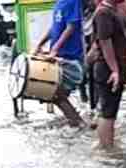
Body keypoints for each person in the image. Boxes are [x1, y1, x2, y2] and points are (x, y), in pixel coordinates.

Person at [33, 0, 87, 128]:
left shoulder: (73, 1)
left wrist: (55, 48)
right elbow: (54, 27)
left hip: (70, 57)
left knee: (56, 94)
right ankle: (76, 123)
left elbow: (71, 27)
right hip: (59, 56)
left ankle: (78, 123)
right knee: (57, 94)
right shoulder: (59, 3)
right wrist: (40, 43)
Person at [89, 0, 126, 147]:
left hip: (114, 68)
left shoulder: (112, 11)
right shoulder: (103, 13)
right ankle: (107, 150)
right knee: (107, 113)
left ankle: (107, 146)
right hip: (107, 69)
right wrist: (114, 70)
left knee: (110, 112)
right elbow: (105, 43)